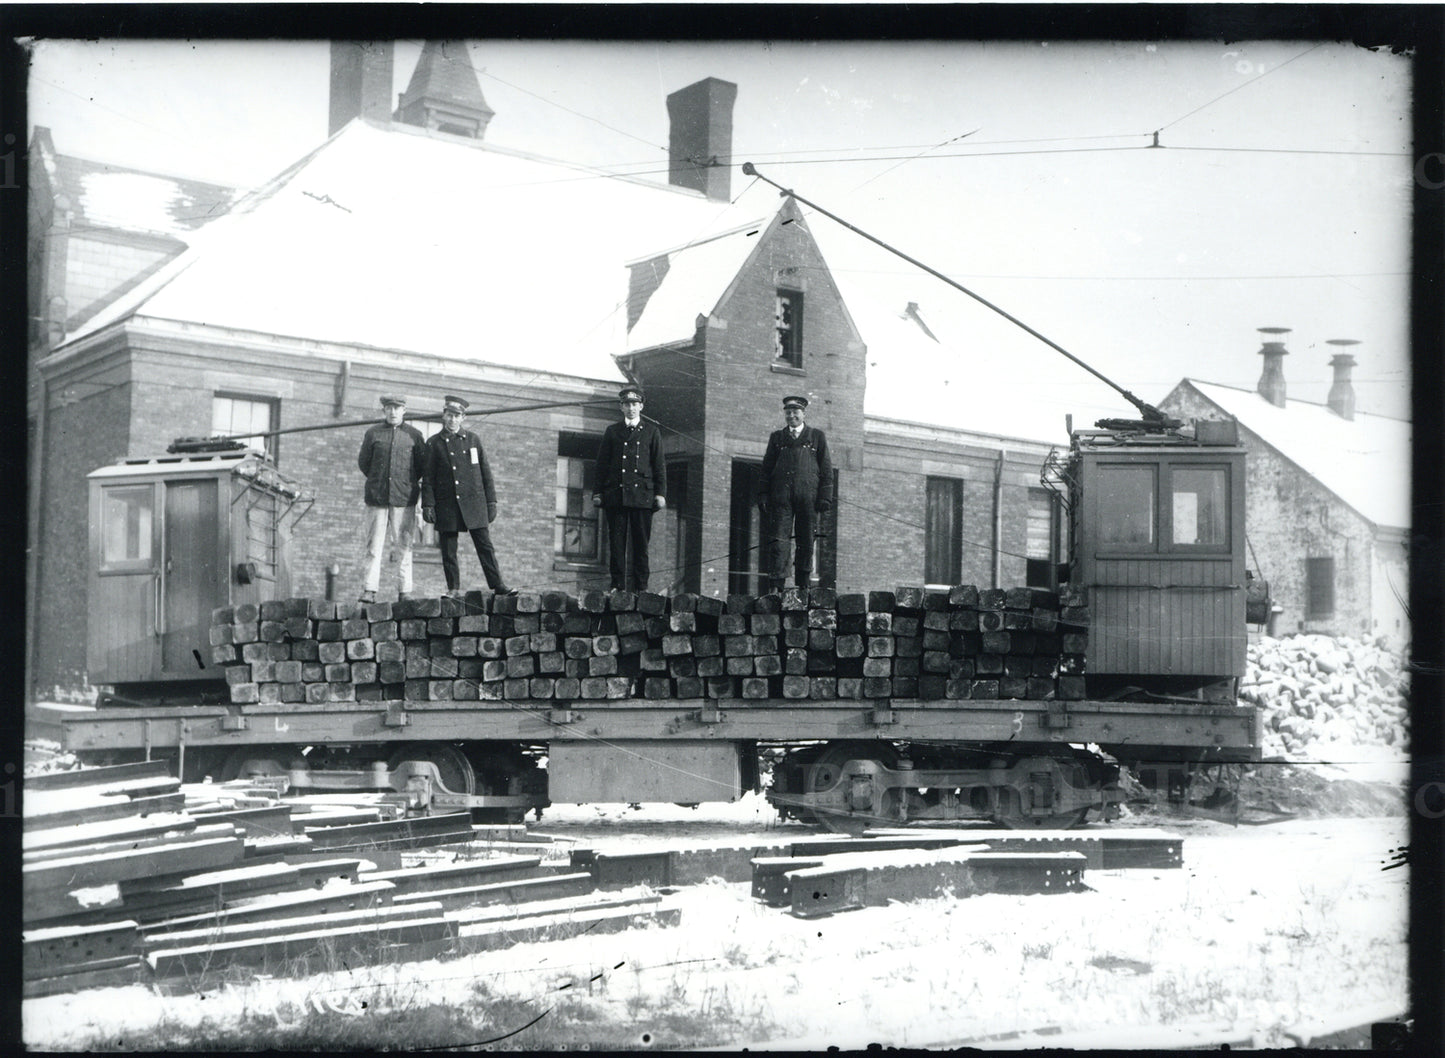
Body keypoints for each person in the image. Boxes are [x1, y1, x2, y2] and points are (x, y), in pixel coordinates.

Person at [421, 395, 516, 597]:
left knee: (485, 546)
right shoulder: (434, 443)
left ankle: (498, 585)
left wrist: (491, 501)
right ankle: (453, 588)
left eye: (457, 416)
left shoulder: (473, 440)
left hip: (474, 503)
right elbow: (428, 478)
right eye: (449, 415)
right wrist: (428, 504)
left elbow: (486, 473)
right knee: (449, 550)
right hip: (447, 504)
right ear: (443, 416)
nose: (452, 420)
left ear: (463, 418)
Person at [592, 385, 666, 591]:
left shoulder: (652, 432)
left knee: (641, 545)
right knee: (617, 545)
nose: (631, 408)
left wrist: (660, 493)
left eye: (634, 404)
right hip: (617, 496)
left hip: (642, 497)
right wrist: (598, 492)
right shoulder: (612, 431)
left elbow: (659, 465)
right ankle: (617, 586)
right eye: (627, 404)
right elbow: (602, 464)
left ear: (641, 406)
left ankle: (641, 587)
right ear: (621, 407)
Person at [758, 394, 833, 592]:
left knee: (806, 539)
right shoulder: (777, 438)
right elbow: (766, 469)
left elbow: (826, 468)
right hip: (781, 497)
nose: (791, 416)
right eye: (788, 413)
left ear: (803, 413)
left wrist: (825, 497)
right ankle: (777, 585)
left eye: (795, 412)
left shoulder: (816, 436)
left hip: (808, 498)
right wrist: (763, 494)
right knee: (778, 539)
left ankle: (803, 583)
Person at [356, 394, 426, 603]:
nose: (393, 412)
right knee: (373, 546)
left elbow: (421, 466)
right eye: (389, 408)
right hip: (376, 498)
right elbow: (364, 463)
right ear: (384, 410)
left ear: (404, 410)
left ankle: (405, 591)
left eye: (397, 408)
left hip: (404, 499)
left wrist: (403, 483)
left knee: (404, 545)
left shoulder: (414, 435)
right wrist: (378, 480)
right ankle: (369, 589)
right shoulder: (373, 434)